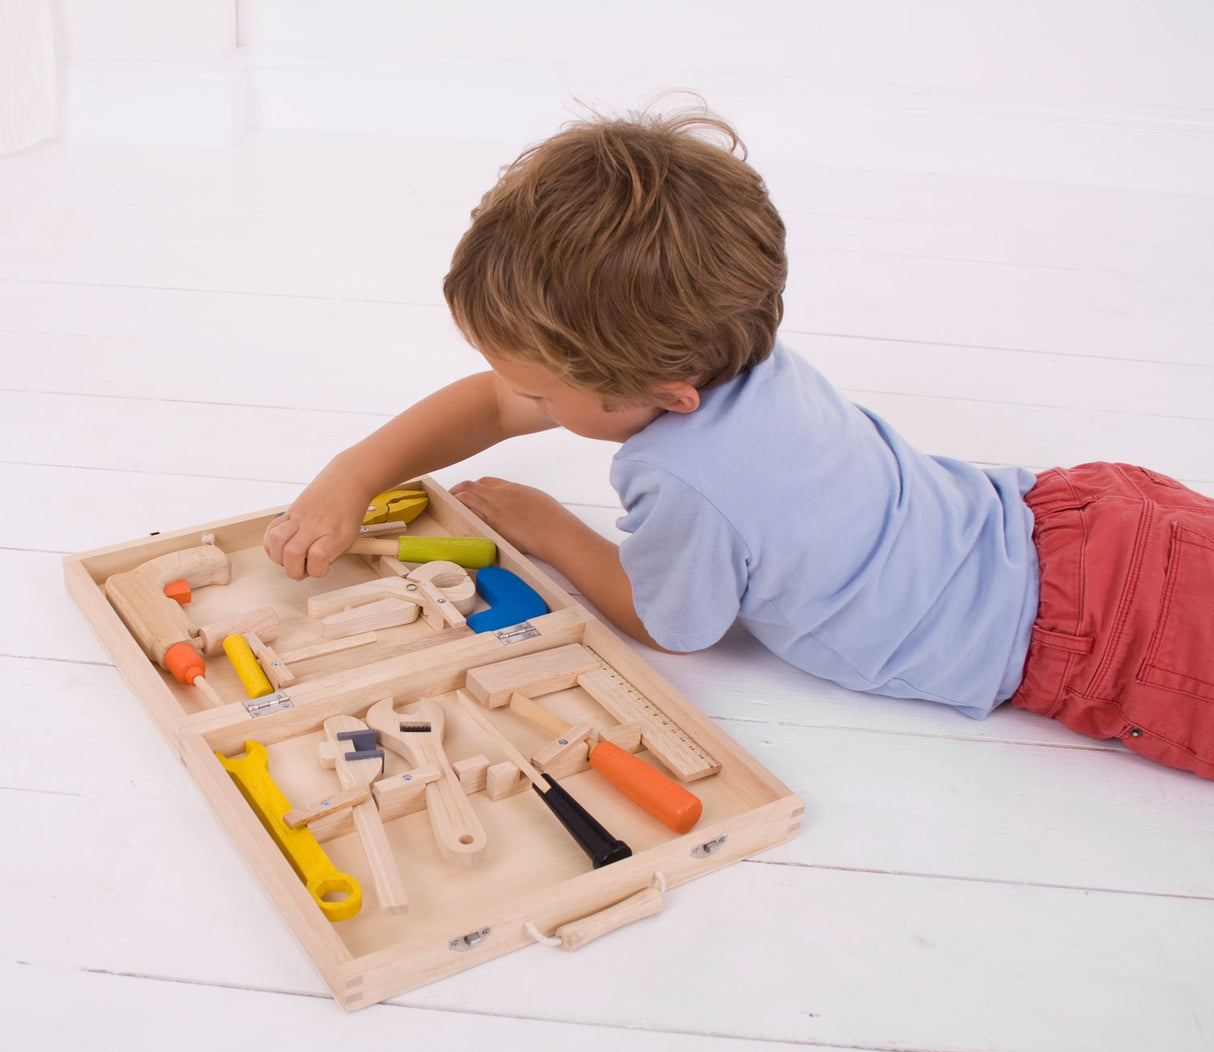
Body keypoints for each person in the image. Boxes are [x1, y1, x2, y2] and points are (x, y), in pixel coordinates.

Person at [263, 104, 1214, 781]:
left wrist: (550, 527)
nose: (519, 401)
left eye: (540, 390)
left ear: (664, 395)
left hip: (1096, 637)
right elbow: (497, 402)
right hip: (1086, 523)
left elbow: (671, 624)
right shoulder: (727, 343)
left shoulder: (687, 477)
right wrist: (355, 471)